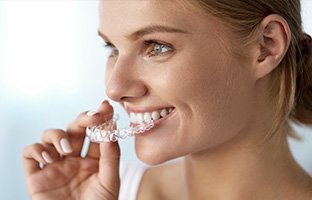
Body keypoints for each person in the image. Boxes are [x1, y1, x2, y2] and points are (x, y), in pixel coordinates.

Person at [23, 0, 312, 199]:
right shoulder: (105, 192)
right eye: (112, 47)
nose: (114, 88)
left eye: (157, 46)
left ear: (266, 46)